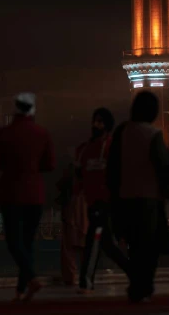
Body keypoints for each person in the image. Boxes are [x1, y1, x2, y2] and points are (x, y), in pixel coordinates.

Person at [0, 92, 55, 302]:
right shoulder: (42, 133)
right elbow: (49, 165)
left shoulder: (4, 133)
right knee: (27, 242)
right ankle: (21, 289)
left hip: (11, 193)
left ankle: (30, 281)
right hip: (35, 193)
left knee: (14, 242)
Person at [106, 91, 169, 304]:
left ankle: (137, 285)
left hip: (125, 198)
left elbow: (112, 167)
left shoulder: (122, 131)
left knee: (134, 246)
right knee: (149, 247)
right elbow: (163, 166)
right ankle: (145, 285)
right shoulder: (153, 135)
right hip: (148, 199)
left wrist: (113, 196)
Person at [75, 108, 130, 294]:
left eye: (100, 121)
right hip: (91, 202)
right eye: (94, 121)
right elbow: (79, 174)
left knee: (93, 239)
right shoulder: (85, 149)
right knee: (107, 245)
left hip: (106, 202)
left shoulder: (113, 147)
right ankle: (135, 273)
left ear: (107, 125)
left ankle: (85, 281)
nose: (95, 125)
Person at [56, 158, 88, 287]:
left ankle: (71, 278)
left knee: (69, 251)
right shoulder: (85, 192)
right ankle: (85, 278)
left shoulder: (70, 191)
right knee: (84, 250)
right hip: (83, 224)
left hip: (72, 221)